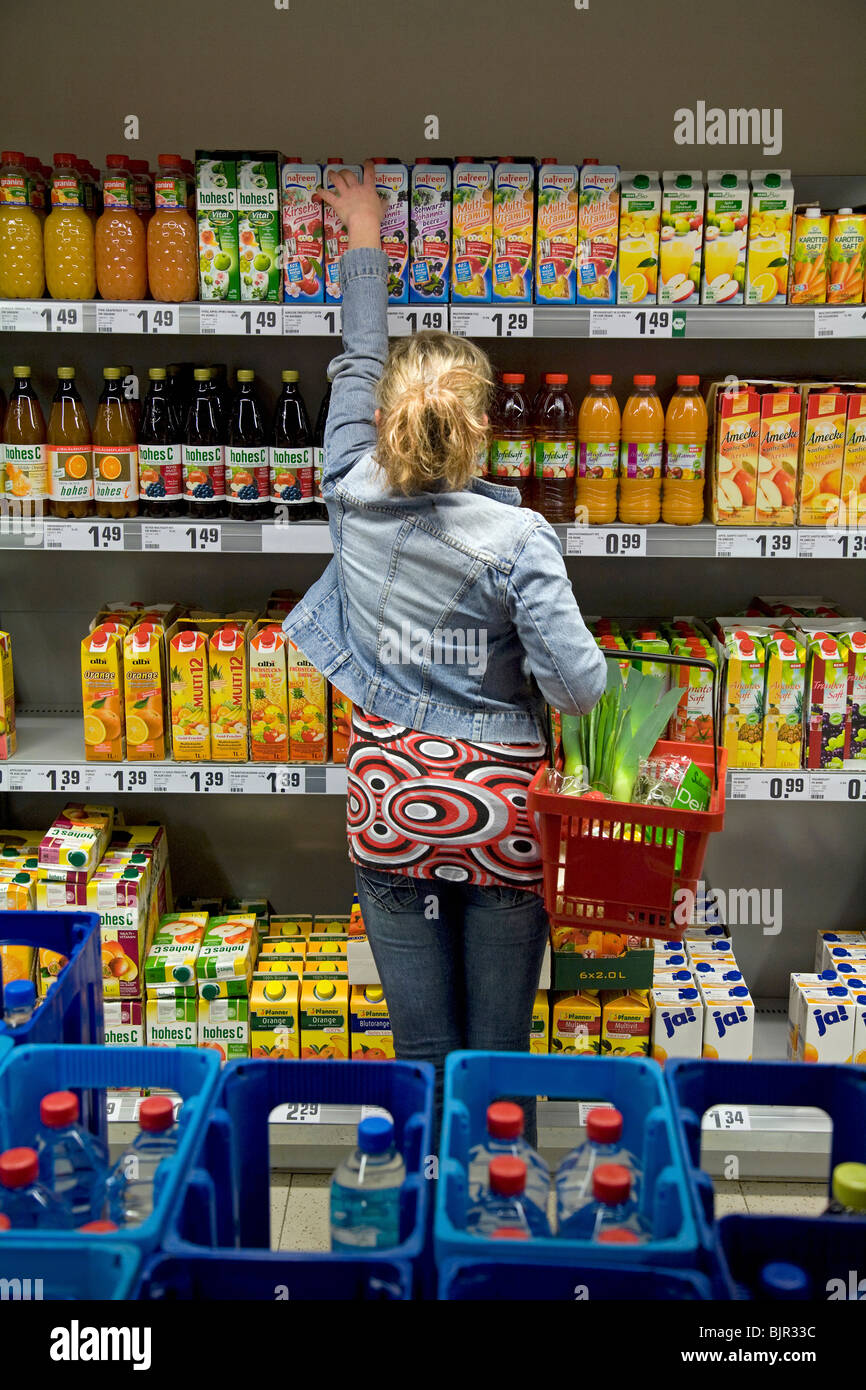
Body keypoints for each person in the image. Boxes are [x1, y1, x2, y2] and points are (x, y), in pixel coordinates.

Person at [282, 162, 605, 1137]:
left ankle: (422, 1223)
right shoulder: (517, 541)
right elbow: (579, 685)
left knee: (419, 1055)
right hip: (498, 819)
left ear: (381, 419)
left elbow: (355, 353)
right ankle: (487, 1214)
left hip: (390, 807)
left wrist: (367, 229)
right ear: (479, 431)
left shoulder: (347, 486)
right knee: (494, 1058)